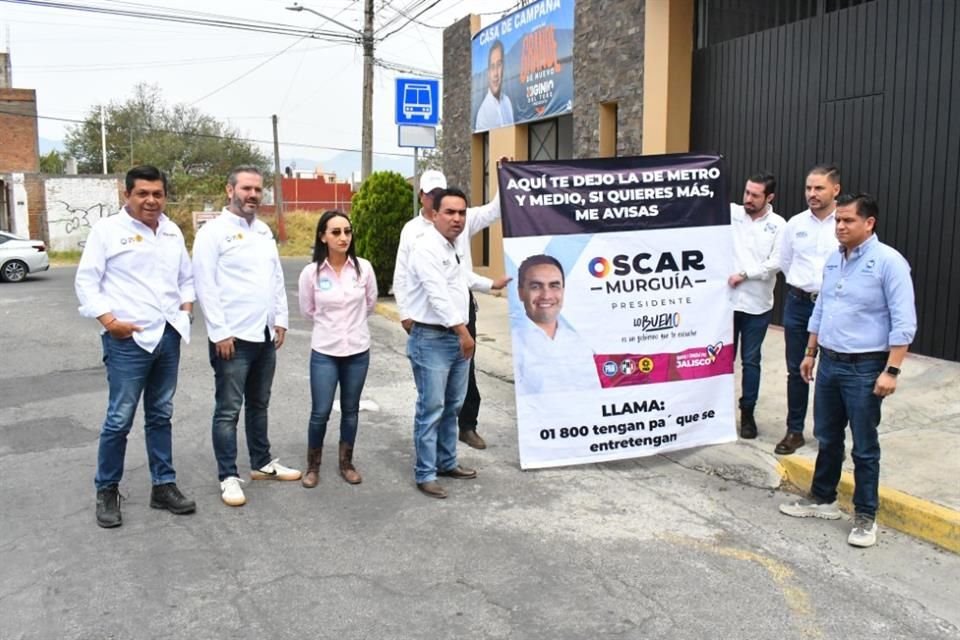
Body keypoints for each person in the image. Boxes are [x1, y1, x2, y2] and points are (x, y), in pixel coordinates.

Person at [780, 193, 916, 548]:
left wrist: (892, 371)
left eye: (848, 221)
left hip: (866, 367)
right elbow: (822, 308)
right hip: (829, 362)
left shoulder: (889, 262)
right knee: (827, 435)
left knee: (864, 445)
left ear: (869, 223)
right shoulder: (833, 260)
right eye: (838, 221)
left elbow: (904, 322)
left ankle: (866, 515)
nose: (840, 227)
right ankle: (823, 498)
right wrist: (810, 352)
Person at [75, 165, 196, 528]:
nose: (151, 200)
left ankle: (163, 485)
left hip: (167, 336)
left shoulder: (172, 231)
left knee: (160, 414)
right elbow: (86, 282)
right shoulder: (107, 231)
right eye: (142, 193)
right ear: (125, 195)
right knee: (119, 417)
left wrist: (185, 311)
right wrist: (111, 323)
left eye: (157, 194)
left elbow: (186, 278)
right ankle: (107, 489)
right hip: (127, 341)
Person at [192, 165, 300, 508]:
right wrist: (219, 332)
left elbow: (275, 278)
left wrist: (280, 319)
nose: (253, 195)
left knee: (259, 404)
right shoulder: (213, 233)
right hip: (232, 339)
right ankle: (228, 475)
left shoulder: (264, 232)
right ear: (230, 190)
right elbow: (204, 284)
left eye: (258, 190)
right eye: (246, 189)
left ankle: (261, 463)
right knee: (228, 410)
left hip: (264, 336)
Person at [393, 169, 506, 450]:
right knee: (433, 396)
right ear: (422, 197)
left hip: (461, 307)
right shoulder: (415, 233)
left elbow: (494, 212)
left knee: (462, 379)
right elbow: (404, 275)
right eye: (431, 195)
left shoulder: (458, 223)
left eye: (439, 193)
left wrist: (505, 177)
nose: (436, 199)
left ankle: (465, 428)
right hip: (431, 318)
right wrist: (404, 312)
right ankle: (429, 465)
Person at [405, 187, 477, 499]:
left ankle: (447, 462)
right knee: (431, 407)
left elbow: (463, 280)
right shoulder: (425, 248)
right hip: (433, 338)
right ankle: (426, 473)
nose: (457, 218)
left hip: (454, 340)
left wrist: (495, 284)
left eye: (461, 212)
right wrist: (464, 333)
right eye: (450, 212)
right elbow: (438, 296)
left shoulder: (452, 247)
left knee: (453, 406)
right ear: (434, 215)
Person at [297, 211, 378, 488]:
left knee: (350, 409)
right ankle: (313, 466)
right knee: (320, 411)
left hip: (357, 351)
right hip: (325, 352)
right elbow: (308, 310)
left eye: (347, 231)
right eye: (335, 232)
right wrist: (332, 328)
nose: (343, 237)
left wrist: (350, 328)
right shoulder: (312, 273)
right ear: (323, 236)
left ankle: (346, 463)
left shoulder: (363, 268)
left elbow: (370, 304)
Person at [776, 164, 841, 455]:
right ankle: (795, 430)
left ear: (835, 190)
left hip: (834, 307)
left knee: (831, 372)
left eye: (819, 188)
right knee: (796, 370)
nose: (812, 194)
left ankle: (829, 436)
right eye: (808, 188)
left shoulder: (845, 221)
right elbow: (786, 262)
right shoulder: (795, 224)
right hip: (799, 304)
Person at [727, 173, 786, 438]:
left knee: (751, 361)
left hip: (757, 305)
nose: (748, 199)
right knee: (721, 359)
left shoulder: (778, 225)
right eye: (747, 193)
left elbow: (777, 261)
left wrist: (745, 274)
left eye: (755, 195)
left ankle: (747, 412)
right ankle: (718, 413)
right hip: (726, 303)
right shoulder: (732, 214)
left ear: (769, 197)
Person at [513, 254, 598, 396]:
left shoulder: (580, 344)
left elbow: (593, 394)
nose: (546, 295)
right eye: (535, 286)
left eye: (554, 286)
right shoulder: (515, 343)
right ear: (521, 292)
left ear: (563, 291)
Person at [475, 39, 514, 131]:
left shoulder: (507, 102)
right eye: (492, 67)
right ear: (488, 73)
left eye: (499, 65)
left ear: (503, 67)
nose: (496, 73)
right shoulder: (483, 113)